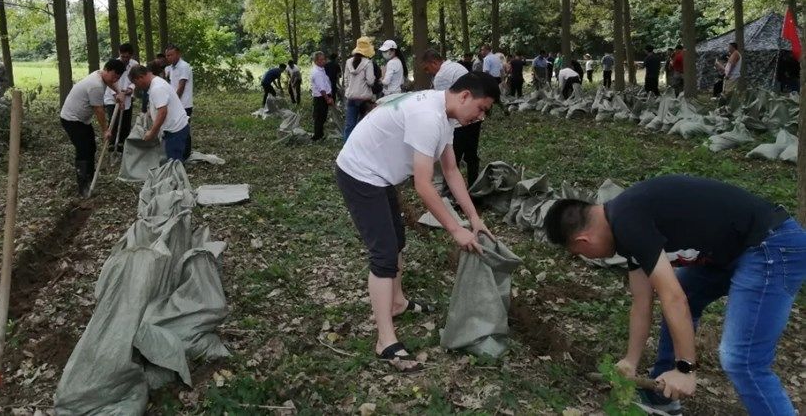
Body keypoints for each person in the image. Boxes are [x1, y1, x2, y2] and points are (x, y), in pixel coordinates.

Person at [544, 175, 804, 415]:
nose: (586, 256)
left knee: (742, 360)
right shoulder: (622, 222)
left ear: (583, 241)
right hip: (732, 251)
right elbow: (641, 302)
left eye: (579, 254)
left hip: (771, 245)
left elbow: (673, 297)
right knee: (686, 292)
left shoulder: (628, 221)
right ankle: (663, 397)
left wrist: (686, 368)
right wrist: (630, 361)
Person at [335, 73, 499, 371]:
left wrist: (474, 219)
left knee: (397, 240)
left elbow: (451, 170)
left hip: (380, 175)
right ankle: (385, 341)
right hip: (360, 173)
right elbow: (423, 185)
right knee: (384, 254)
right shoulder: (429, 117)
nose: (481, 117)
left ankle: (397, 302)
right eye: (481, 108)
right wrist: (456, 229)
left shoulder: (445, 115)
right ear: (464, 96)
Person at [59, 59, 125, 196]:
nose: (115, 80)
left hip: (82, 120)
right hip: (72, 119)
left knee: (91, 147)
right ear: (106, 69)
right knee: (83, 150)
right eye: (114, 76)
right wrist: (105, 130)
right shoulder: (96, 86)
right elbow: (99, 110)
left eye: (118, 78)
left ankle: (90, 178)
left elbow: (111, 82)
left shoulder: (100, 74)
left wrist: (118, 92)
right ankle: (83, 186)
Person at [420, 49, 482, 185]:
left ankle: (451, 190)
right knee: (471, 155)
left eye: (427, 68)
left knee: (453, 158)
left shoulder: (441, 76)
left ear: (434, 62)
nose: (427, 72)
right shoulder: (456, 66)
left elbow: (443, 104)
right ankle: (474, 187)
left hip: (460, 122)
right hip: (475, 116)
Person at [128, 64, 190, 161]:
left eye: (136, 83)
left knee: (174, 162)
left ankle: (176, 170)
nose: (137, 86)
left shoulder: (157, 88)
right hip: (173, 128)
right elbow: (159, 105)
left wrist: (152, 132)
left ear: (141, 77)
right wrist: (151, 112)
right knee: (171, 158)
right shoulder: (155, 82)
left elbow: (162, 112)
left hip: (175, 130)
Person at [104, 43, 138, 151]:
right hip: (112, 97)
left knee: (125, 123)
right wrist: (117, 95)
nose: (124, 59)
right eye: (122, 56)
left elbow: (135, 80)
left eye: (127, 57)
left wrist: (130, 89)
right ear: (119, 53)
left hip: (127, 97)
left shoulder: (134, 65)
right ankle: (111, 143)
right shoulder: (113, 64)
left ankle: (122, 144)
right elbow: (109, 81)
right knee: (114, 120)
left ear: (131, 55)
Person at [343, 37, 376, 141]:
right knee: (363, 125)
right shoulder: (368, 63)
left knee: (350, 125)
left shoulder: (348, 62)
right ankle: (361, 146)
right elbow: (370, 81)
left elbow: (346, 80)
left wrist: (349, 89)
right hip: (364, 99)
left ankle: (347, 146)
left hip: (351, 97)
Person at [164, 44, 194, 159]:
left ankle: (186, 154)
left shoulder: (183, 66)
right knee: (176, 128)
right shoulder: (171, 68)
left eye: (171, 55)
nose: (169, 57)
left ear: (178, 54)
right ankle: (178, 152)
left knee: (184, 128)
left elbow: (181, 86)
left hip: (184, 103)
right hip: (176, 103)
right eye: (167, 55)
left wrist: (173, 101)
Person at [309, 52, 334, 141]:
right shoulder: (317, 73)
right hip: (321, 98)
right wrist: (327, 99)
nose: (324, 61)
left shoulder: (321, 70)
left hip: (323, 97)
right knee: (319, 117)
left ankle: (320, 134)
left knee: (322, 117)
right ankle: (317, 136)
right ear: (316, 61)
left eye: (324, 59)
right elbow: (322, 89)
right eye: (321, 59)